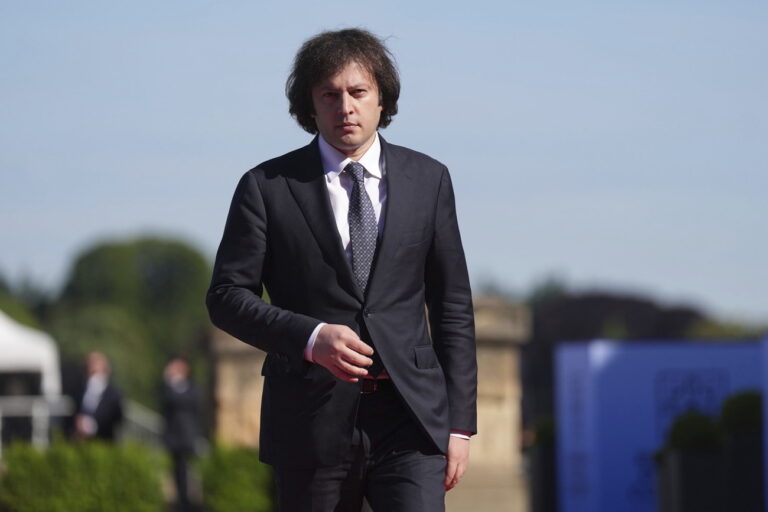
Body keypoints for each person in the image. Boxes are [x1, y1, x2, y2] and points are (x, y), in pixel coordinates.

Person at [207, 28, 476, 512]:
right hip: (310, 419)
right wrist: (311, 339)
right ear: (309, 106)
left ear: (381, 100)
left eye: (358, 92)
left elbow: (453, 306)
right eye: (329, 94)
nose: (344, 107)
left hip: (411, 419)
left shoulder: (430, 180)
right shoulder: (265, 187)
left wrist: (459, 425)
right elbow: (226, 296)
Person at [160, 356, 201, 512]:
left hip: (187, 437)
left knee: (188, 471)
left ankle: (188, 504)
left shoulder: (191, 388)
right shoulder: (168, 388)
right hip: (173, 437)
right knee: (176, 472)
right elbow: (165, 400)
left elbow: (186, 402)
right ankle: (181, 503)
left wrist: (173, 383)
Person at [73, 351, 123, 441]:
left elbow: (117, 418)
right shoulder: (80, 389)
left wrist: (92, 426)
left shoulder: (113, 394)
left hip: (103, 441)